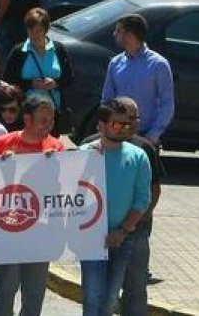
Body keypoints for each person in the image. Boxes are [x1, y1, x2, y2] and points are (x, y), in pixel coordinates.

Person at [0, 95, 65, 316]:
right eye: (43, 121)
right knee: (5, 288)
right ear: (27, 119)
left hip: (41, 231)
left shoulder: (57, 147)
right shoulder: (2, 144)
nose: (48, 126)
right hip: (9, 229)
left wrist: (58, 165)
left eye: (50, 121)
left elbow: (64, 188)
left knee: (34, 292)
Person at [79, 98, 153, 316]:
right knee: (92, 297)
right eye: (117, 124)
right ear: (101, 125)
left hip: (122, 237)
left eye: (127, 124)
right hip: (90, 238)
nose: (124, 128)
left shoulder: (138, 156)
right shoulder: (83, 154)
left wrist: (122, 231)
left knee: (110, 299)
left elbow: (142, 199)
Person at [101, 13, 175, 144]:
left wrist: (152, 135)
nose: (114, 34)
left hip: (145, 134)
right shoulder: (115, 63)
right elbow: (107, 99)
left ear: (129, 35)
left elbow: (167, 104)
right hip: (117, 133)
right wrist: (104, 126)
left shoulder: (158, 64)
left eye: (118, 31)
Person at [3, 7, 74, 128]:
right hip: (25, 114)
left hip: (52, 113)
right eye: (31, 30)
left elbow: (69, 78)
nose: (34, 35)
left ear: (46, 30)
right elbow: (7, 80)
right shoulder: (19, 51)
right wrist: (30, 84)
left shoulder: (59, 49)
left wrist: (55, 83)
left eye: (38, 31)